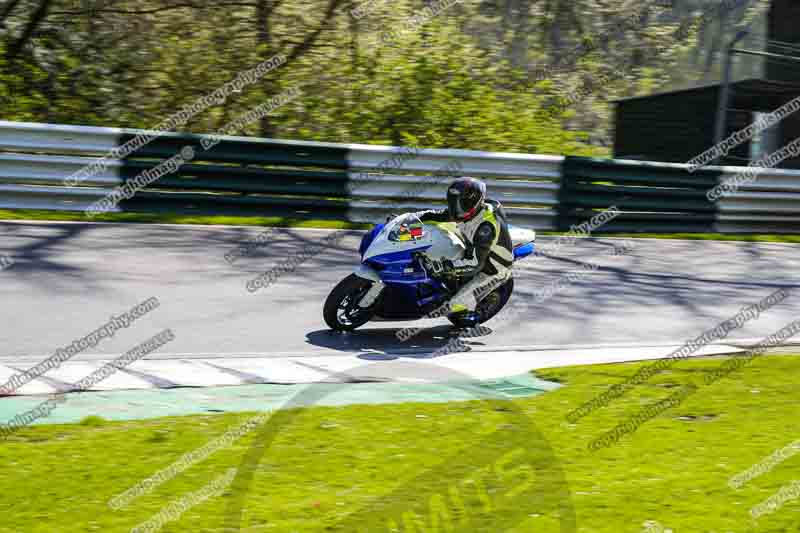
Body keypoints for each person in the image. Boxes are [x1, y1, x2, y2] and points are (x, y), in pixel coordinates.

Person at [414, 177, 515, 328]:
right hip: (471, 247)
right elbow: (439, 215)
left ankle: (474, 317)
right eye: (454, 202)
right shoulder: (466, 212)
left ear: (475, 202)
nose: (456, 209)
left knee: (453, 308)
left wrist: (444, 267)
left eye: (462, 204)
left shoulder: (485, 228)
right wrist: (413, 218)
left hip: (491, 269)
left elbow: (474, 264)